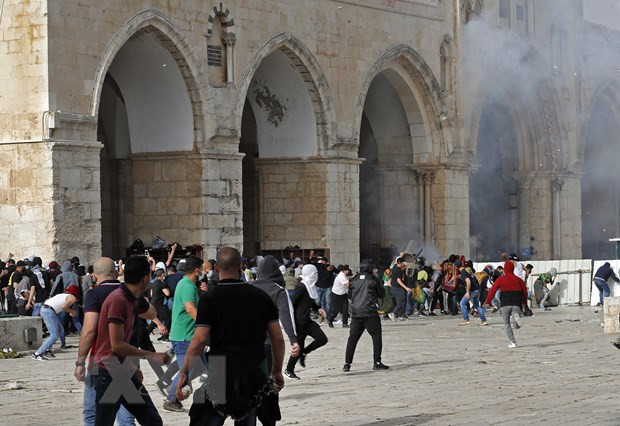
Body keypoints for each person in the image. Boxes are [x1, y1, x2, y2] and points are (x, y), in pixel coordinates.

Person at [176, 247, 285, 425]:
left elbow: (200, 339)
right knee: (248, 417)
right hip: (254, 366)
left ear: (216, 268)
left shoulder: (210, 299)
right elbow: (277, 338)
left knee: (210, 419)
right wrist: (276, 371)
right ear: (240, 267)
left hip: (221, 366)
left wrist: (185, 372)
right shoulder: (261, 297)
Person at [92, 255, 170, 426]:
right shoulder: (118, 300)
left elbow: (150, 314)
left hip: (123, 370)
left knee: (152, 421)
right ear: (146, 279)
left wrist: (131, 366)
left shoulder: (133, 299)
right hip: (109, 371)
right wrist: (151, 355)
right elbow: (116, 345)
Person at [252, 255, 300, 426]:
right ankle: (269, 420)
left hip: (245, 346)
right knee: (269, 385)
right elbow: (287, 316)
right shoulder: (278, 291)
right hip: (266, 346)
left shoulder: (247, 287)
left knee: (250, 387)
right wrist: (294, 339)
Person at [163, 255, 206, 412]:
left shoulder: (186, 284)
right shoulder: (187, 285)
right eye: (202, 269)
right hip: (184, 337)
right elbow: (189, 308)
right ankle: (171, 399)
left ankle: (175, 388)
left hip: (188, 335)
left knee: (201, 367)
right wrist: (205, 324)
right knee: (187, 370)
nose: (203, 272)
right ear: (197, 270)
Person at [342, 261, 389, 372]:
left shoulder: (354, 280)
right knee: (376, 337)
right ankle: (377, 362)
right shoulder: (373, 279)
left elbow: (350, 293)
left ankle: (347, 364)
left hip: (356, 312)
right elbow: (381, 294)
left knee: (353, 338)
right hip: (370, 311)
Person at [285, 264, 328, 379]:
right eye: (314, 273)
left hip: (307, 321)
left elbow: (309, 301)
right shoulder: (301, 286)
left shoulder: (310, 286)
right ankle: (288, 370)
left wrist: (318, 308)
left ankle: (304, 353)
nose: (316, 275)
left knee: (322, 339)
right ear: (309, 274)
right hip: (299, 323)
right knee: (298, 349)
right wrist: (291, 322)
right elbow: (292, 303)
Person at [485, 261, 528, 348]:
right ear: (513, 269)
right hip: (516, 304)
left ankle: (513, 342)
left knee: (507, 324)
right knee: (515, 324)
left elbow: (492, 290)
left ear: (504, 269)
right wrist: (523, 302)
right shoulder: (519, 280)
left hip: (505, 305)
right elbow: (525, 293)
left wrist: (488, 302)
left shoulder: (500, 279)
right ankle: (516, 321)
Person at [31, 293, 78, 360]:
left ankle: (47, 350)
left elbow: (47, 300)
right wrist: (72, 312)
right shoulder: (72, 297)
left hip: (47, 309)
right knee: (54, 335)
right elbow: (64, 306)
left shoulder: (63, 295)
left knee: (60, 330)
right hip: (49, 311)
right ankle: (37, 353)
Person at [455, 260, 487, 326]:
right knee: (477, 305)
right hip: (478, 288)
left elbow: (468, 281)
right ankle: (484, 320)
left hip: (473, 290)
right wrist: (458, 276)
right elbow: (468, 275)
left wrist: (467, 292)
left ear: (456, 267)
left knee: (462, 303)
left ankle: (466, 319)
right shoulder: (468, 269)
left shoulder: (463, 272)